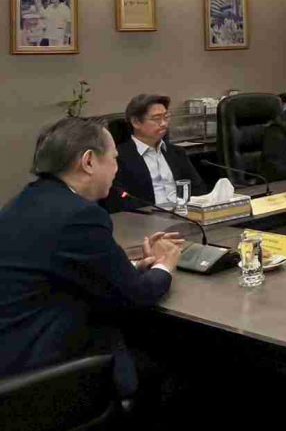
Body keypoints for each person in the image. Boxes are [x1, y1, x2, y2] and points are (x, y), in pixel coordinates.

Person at [0, 118, 182, 396]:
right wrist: (164, 265)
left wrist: (134, 266)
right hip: (47, 366)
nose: (117, 168)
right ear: (88, 162)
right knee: (180, 364)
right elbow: (137, 296)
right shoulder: (79, 215)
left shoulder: (24, 201)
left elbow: (62, 269)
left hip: (12, 350)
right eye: (114, 158)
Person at [105, 94, 208, 213]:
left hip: (184, 215)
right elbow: (119, 201)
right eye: (157, 118)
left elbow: (199, 189)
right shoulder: (119, 157)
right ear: (136, 122)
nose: (164, 123)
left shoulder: (176, 153)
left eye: (166, 117)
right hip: (145, 219)